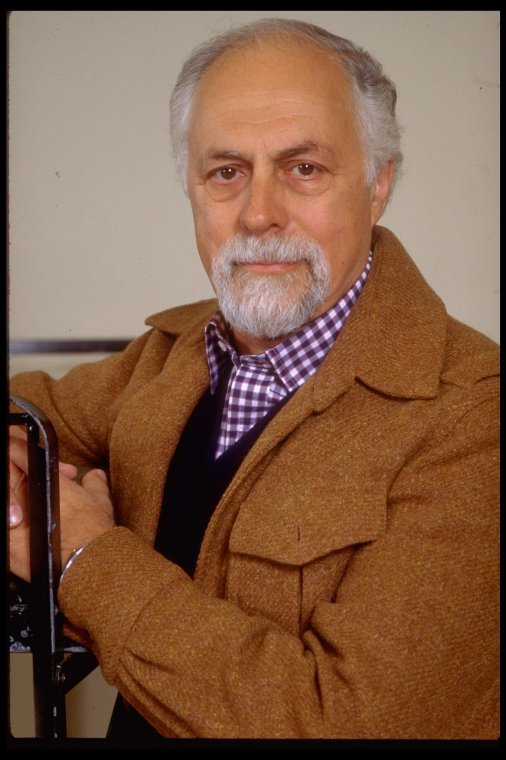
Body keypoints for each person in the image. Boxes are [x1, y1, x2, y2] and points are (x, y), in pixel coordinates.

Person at [8, 17, 499, 742]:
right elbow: (29, 415)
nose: (259, 213)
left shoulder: (472, 414)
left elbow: (345, 723)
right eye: (226, 172)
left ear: (380, 182)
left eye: (304, 168)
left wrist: (83, 556)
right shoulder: (171, 355)